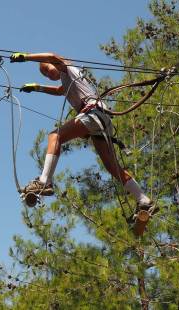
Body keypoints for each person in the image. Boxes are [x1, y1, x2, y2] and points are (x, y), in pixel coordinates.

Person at [10, 52, 154, 215]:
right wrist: (38, 87)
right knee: (112, 167)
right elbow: (59, 91)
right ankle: (144, 201)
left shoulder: (67, 68)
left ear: (54, 64)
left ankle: (45, 181)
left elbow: (51, 55)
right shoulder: (67, 80)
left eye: (48, 69)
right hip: (101, 120)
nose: (48, 74)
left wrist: (26, 57)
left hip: (93, 113)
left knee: (54, 136)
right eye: (45, 74)